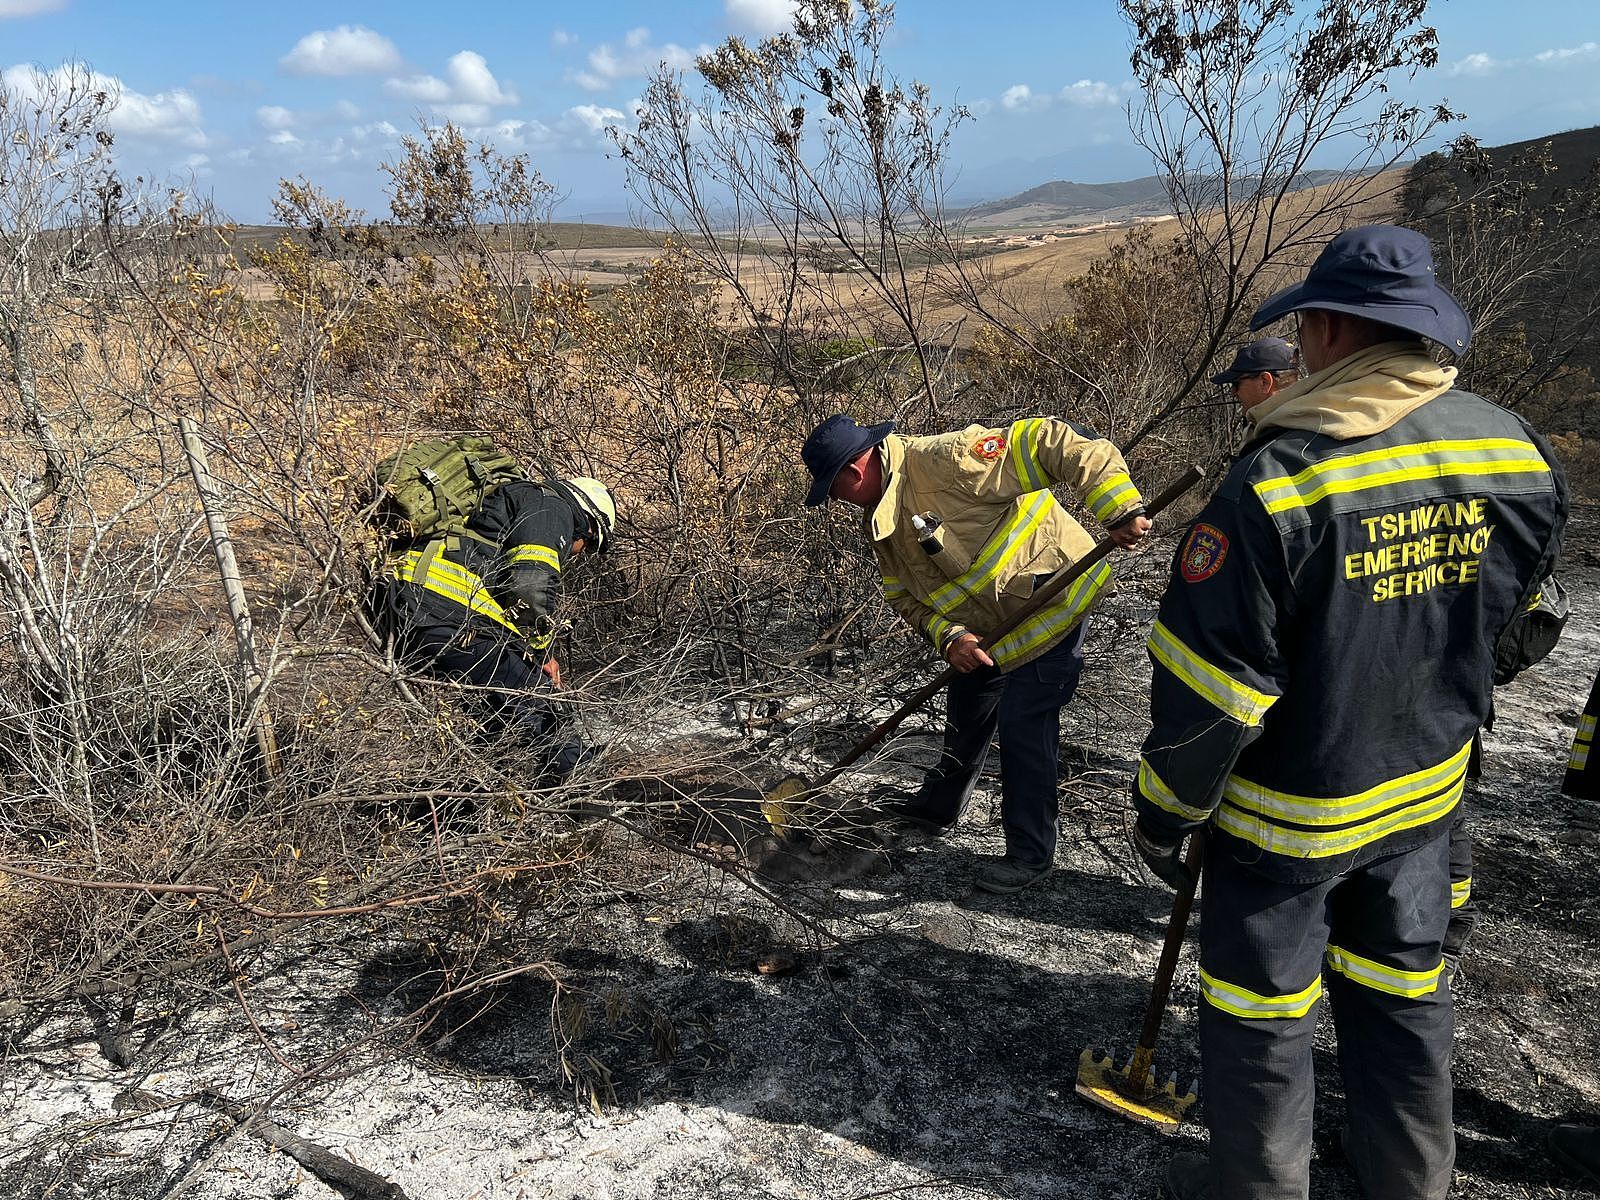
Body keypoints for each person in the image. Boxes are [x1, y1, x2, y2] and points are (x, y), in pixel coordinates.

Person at [1131, 225, 1567, 1200]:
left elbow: (1213, 694)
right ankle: (1408, 1182)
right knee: (1402, 996)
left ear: (1328, 328)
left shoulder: (1277, 480)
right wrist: (1440, 697)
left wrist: (1165, 815)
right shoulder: (1512, 445)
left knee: (1262, 1016)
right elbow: (1528, 621)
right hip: (1425, 803)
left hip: (1290, 826)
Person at [801, 412, 1153, 894]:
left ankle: (1030, 855)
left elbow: (1052, 440)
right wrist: (950, 638)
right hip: (990, 634)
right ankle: (937, 809)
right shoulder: (880, 521)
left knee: (1023, 724)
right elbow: (903, 597)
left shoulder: (946, 461)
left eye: (834, 489)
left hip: (1056, 606)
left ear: (854, 473)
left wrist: (1117, 509)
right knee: (967, 710)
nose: (836, 501)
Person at [374, 473, 616, 780]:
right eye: (589, 547)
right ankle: (581, 791)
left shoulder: (519, 499)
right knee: (540, 700)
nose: (579, 552)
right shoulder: (552, 508)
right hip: (443, 612)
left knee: (491, 717)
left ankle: (473, 808)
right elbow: (531, 586)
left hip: (412, 608)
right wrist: (543, 654)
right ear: (589, 525)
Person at [1211, 336, 1300, 411]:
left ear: (1265, 382)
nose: (1233, 393)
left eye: (1236, 384)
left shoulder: (1279, 429)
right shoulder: (1306, 420)